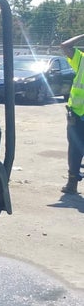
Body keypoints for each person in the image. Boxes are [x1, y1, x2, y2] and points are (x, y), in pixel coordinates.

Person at [60, 33, 84, 194]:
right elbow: (65, 46)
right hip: (76, 114)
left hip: (77, 114)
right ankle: (72, 182)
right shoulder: (82, 59)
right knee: (75, 150)